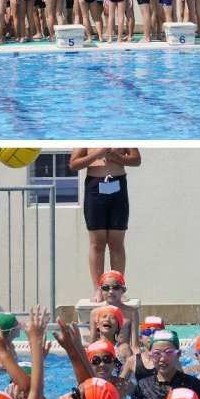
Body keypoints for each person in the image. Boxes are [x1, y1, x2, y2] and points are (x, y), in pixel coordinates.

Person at [69, 148, 141, 301]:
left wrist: (114, 156)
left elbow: (136, 160)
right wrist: (98, 154)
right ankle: (99, 289)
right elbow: (74, 164)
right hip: (95, 187)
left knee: (116, 244)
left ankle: (118, 288)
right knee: (97, 244)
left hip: (118, 185)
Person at [128, 330, 200, 399]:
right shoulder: (142, 386)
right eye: (157, 353)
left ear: (178, 354)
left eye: (169, 353)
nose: (162, 359)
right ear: (151, 355)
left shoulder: (193, 385)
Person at [89, 271, 139, 358]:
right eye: (106, 288)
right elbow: (92, 343)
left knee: (125, 348)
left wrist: (138, 361)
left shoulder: (131, 312)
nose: (111, 291)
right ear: (101, 290)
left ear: (123, 290)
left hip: (122, 354)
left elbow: (135, 346)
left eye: (116, 287)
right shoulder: (95, 313)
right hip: (103, 353)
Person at [121, 316, 165, 382]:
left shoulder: (168, 360)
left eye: (156, 332)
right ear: (140, 338)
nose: (151, 335)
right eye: (147, 332)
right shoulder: (132, 361)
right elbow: (120, 384)